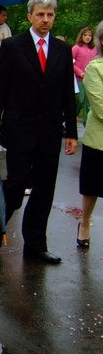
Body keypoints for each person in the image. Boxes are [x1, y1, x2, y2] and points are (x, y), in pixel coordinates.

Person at [0, 0, 77, 264]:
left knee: (44, 190)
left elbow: (67, 95)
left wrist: (71, 131)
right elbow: (0, 89)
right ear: (30, 16)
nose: (45, 20)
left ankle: (36, 245)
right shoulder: (13, 46)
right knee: (16, 183)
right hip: (19, 129)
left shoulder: (62, 50)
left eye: (49, 15)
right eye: (40, 14)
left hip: (49, 131)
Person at [77, 21, 103, 248]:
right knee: (92, 188)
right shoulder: (95, 68)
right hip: (99, 140)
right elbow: (100, 104)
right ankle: (84, 222)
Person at [72, 26, 97, 126]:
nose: (87, 37)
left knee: (88, 104)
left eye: (90, 35)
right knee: (80, 100)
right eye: (85, 35)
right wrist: (80, 72)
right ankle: (69, 118)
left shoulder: (95, 49)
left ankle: (87, 127)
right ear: (81, 36)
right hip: (78, 80)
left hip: (91, 80)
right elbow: (70, 63)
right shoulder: (76, 48)